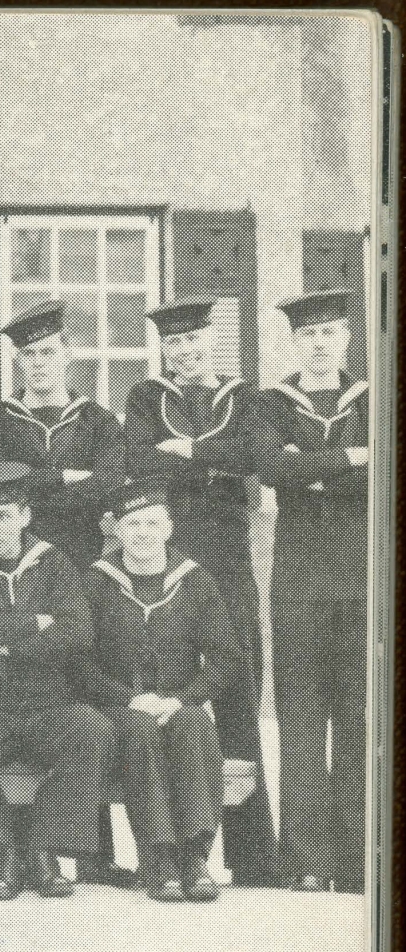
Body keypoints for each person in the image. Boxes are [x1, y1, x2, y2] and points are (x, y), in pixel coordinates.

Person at [121, 295, 277, 886]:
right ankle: (167, 853)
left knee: (237, 697)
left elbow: (258, 456)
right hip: (169, 561)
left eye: (194, 341)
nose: (184, 353)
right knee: (167, 699)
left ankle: (251, 853)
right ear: (165, 350)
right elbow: (140, 459)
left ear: (211, 342)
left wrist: (190, 451)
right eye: (174, 344)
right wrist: (219, 465)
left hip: (230, 563)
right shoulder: (147, 398)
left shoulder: (245, 395)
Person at [0, 462, 110, 901]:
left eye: (3, 516)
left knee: (92, 728)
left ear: (24, 515)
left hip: (49, 705)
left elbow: (79, 632)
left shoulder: (54, 561)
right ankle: (0, 855)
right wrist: (37, 621)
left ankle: (43, 849)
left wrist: (9, 643)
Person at [259, 289, 372, 893]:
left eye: (330, 331)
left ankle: (355, 858)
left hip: (359, 576)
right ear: (295, 342)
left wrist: (312, 463)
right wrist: (352, 457)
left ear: (347, 338)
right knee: (301, 722)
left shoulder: (374, 397)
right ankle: (306, 859)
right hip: (299, 578)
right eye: (309, 334)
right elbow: (272, 469)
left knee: (357, 719)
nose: (321, 342)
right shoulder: (271, 403)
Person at [83, 482, 239, 903]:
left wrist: (183, 698)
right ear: (116, 530)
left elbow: (226, 658)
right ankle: (159, 857)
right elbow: (78, 663)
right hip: (121, 706)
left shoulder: (194, 580)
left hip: (177, 701)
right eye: (132, 524)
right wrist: (128, 697)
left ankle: (195, 856)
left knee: (194, 724)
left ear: (169, 527)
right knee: (138, 728)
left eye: (153, 523)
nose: (143, 533)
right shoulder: (97, 582)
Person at [0, 300, 125, 567]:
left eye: (47, 352)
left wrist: (34, 489)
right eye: (29, 354)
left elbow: (109, 481)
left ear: (67, 355)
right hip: (16, 553)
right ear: (19, 360)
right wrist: (64, 476)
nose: (38, 363)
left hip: (80, 548)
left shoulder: (97, 419)